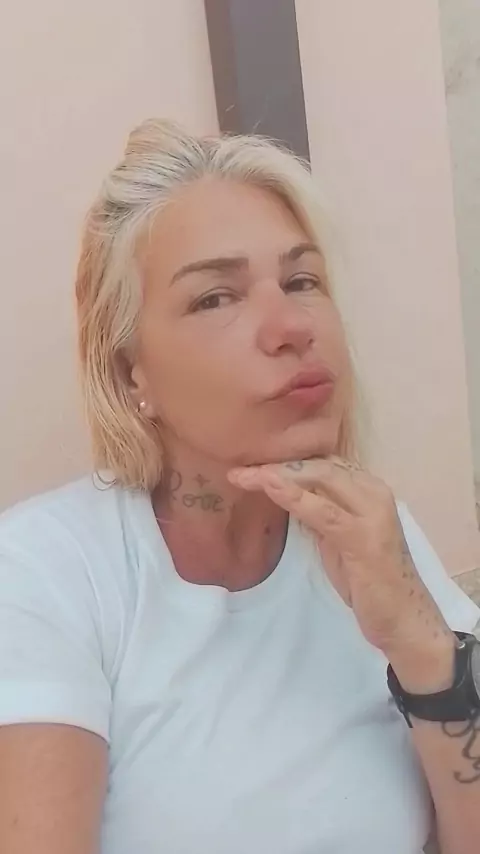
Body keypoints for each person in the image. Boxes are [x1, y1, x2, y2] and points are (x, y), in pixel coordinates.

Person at [0, 119, 479, 854]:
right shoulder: (47, 570)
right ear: (130, 371)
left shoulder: (373, 535)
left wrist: (421, 645)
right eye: (215, 298)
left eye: (302, 281)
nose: (291, 326)